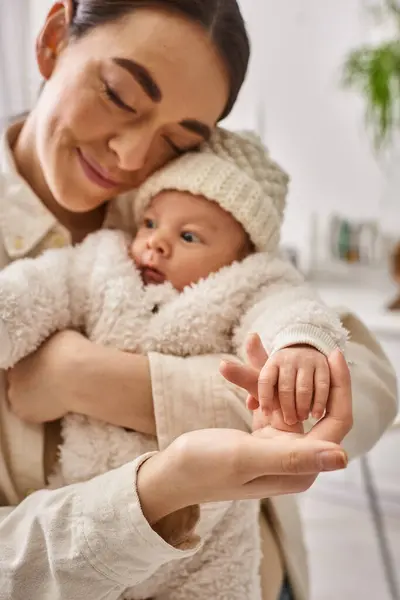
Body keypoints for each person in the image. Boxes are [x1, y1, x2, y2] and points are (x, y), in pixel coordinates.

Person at [0, 1, 396, 599]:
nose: (132, 157)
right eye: (119, 95)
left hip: (256, 573)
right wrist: (162, 485)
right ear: (54, 39)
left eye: (177, 138)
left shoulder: (198, 188)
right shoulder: (51, 274)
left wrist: (91, 380)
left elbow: (362, 379)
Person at [0, 128, 349, 598]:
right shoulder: (104, 260)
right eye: (149, 223)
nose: (156, 243)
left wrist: (298, 347)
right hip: (90, 510)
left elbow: (290, 308)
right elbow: (34, 290)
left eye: (188, 236)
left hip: (211, 528)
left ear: (241, 255)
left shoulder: (249, 281)